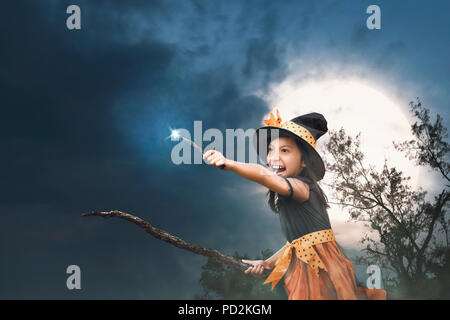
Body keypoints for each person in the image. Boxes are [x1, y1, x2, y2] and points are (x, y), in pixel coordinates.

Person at [203, 110, 386, 300]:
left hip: (320, 267)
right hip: (303, 266)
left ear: (304, 162)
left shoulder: (302, 187)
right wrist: (268, 263)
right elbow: (296, 242)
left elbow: (264, 174)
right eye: (270, 150)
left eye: (285, 150)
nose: (274, 157)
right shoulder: (288, 195)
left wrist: (229, 163)